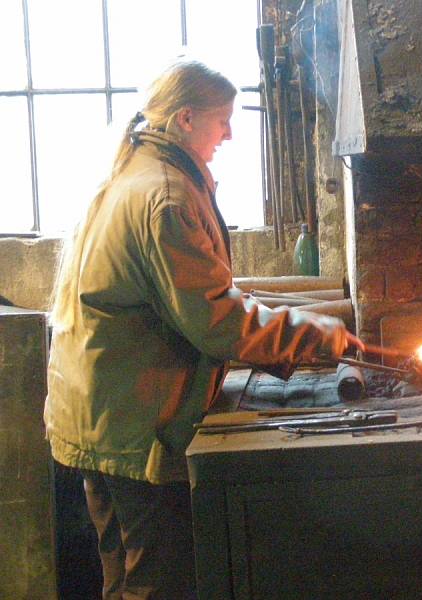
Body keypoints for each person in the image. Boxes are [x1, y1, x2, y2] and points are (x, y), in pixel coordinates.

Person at [44, 59, 358, 599]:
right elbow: (216, 322)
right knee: (157, 586)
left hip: (102, 413)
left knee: (125, 581)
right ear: (186, 119)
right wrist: (315, 335)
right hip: (134, 424)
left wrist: (297, 327)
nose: (230, 133)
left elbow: (201, 298)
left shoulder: (140, 173)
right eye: (222, 120)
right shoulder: (165, 197)